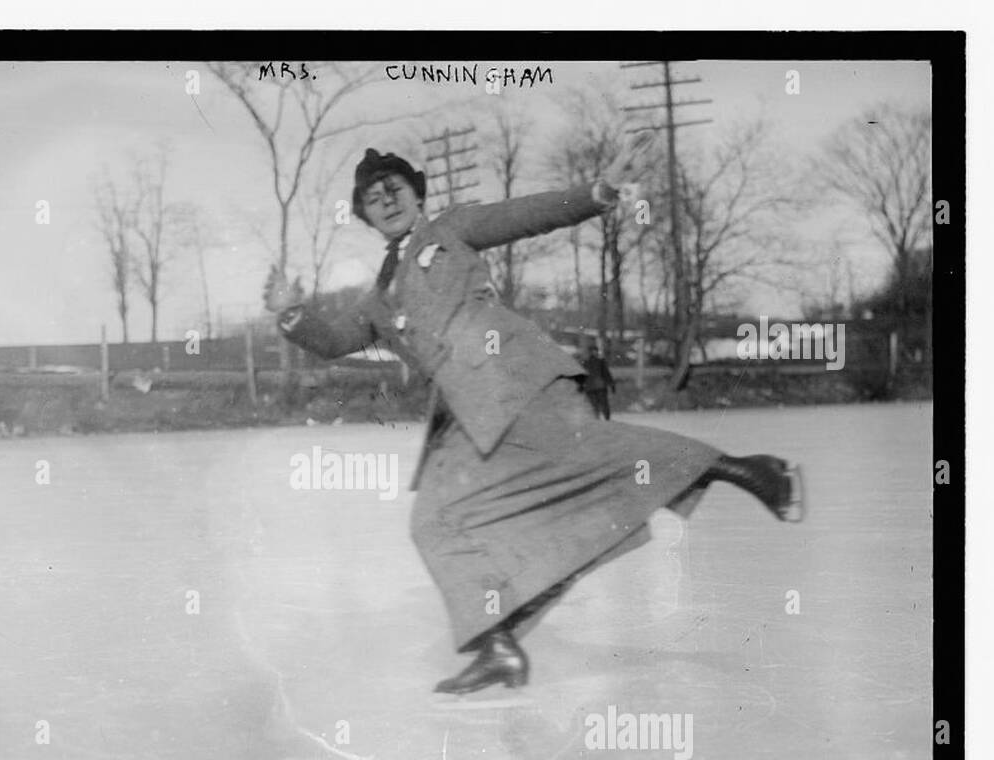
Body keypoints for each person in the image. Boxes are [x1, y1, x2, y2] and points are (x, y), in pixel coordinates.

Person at [263, 145, 803, 696]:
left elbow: (523, 215)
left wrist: (598, 194)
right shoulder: (378, 297)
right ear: (365, 216)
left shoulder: (450, 230)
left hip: (515, 378)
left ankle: (747, 470)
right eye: (373, 199)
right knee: (434, 523)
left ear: (418, 194)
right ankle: (496, 646)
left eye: (394, 189)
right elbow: (334, 340)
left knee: (594, 453)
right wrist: (290, 313)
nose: (386, 202)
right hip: (464, 417)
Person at [580, 342, 616, 419]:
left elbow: (581, 376)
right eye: (595, 351)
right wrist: (612, 384)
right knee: (603, 404)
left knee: (594, 405)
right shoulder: (600, 362)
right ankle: (606, 419)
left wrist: (580, 386)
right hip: (600, 387)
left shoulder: (584, 363)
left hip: (590, 388)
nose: (595, 352)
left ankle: (597, 420)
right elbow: (606, 374)